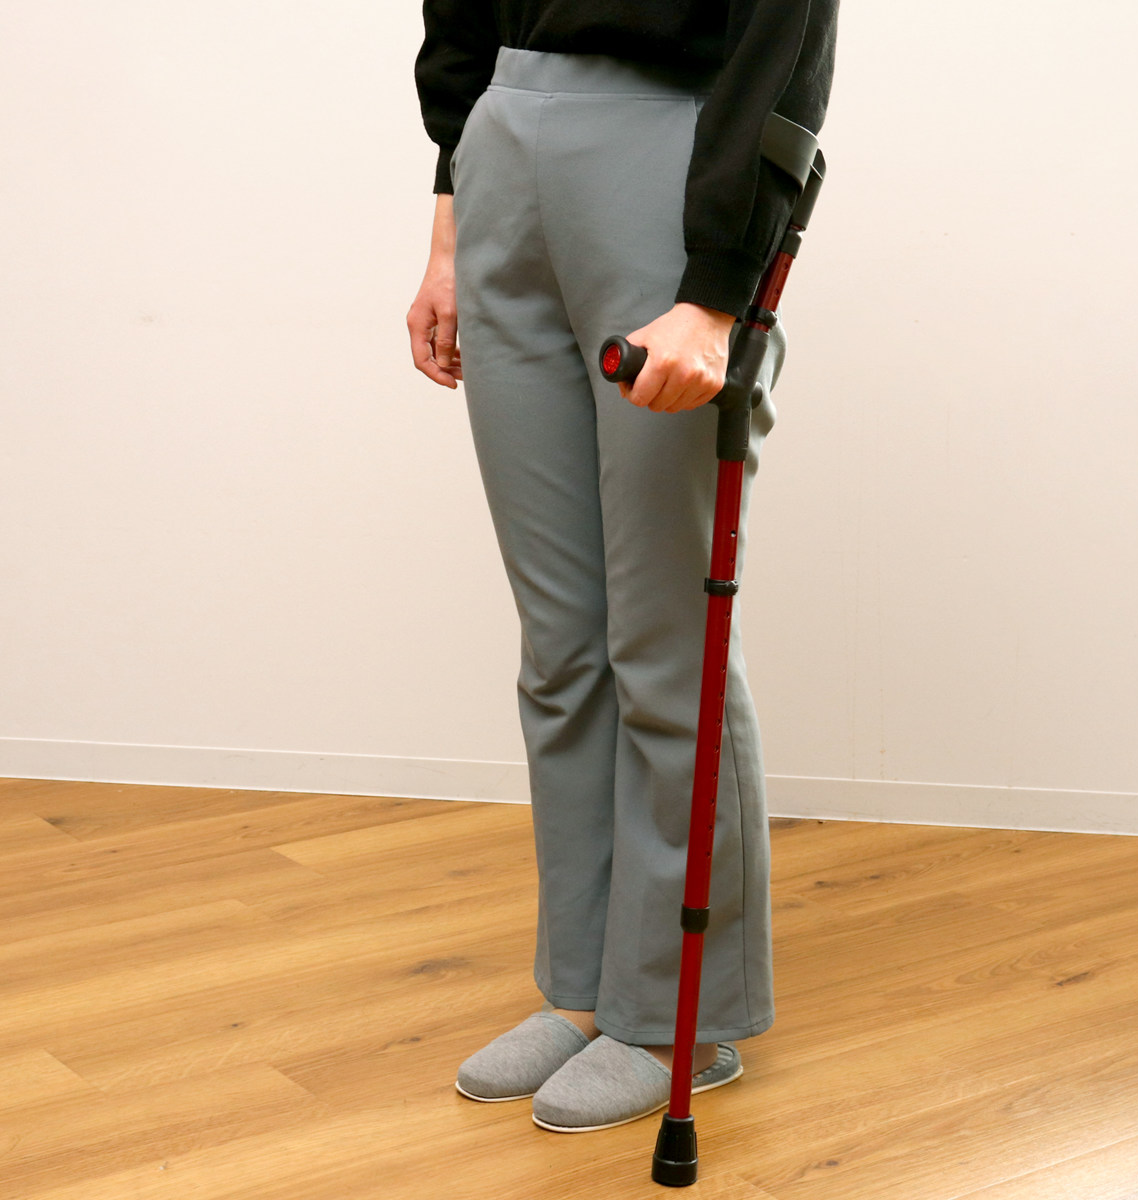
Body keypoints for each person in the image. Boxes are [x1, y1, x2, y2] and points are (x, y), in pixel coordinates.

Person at [408, 1, 838, 1133]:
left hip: (667, 156)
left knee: (664, 639)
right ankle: (585, 990)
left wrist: (716, 290)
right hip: (503, 150)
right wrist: (449, 233)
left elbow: (784, 37)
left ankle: (679, 1014)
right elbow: (460, 14)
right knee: (560, 644)